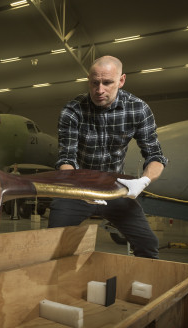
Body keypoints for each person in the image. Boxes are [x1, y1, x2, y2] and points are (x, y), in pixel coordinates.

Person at [48, 55, 167, 259]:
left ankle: (140, 288)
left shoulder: (137, 109)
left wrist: (144, 181)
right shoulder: (72, 111)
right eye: (94, 83)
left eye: (107, 82)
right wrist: (79, 189)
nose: (99, 90)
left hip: (114, 188)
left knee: (148, 244)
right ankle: (49, 288)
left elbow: (155, 156)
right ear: (89, 80)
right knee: (50, 244)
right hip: (78, 187)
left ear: (121, 81)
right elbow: (66, 159)